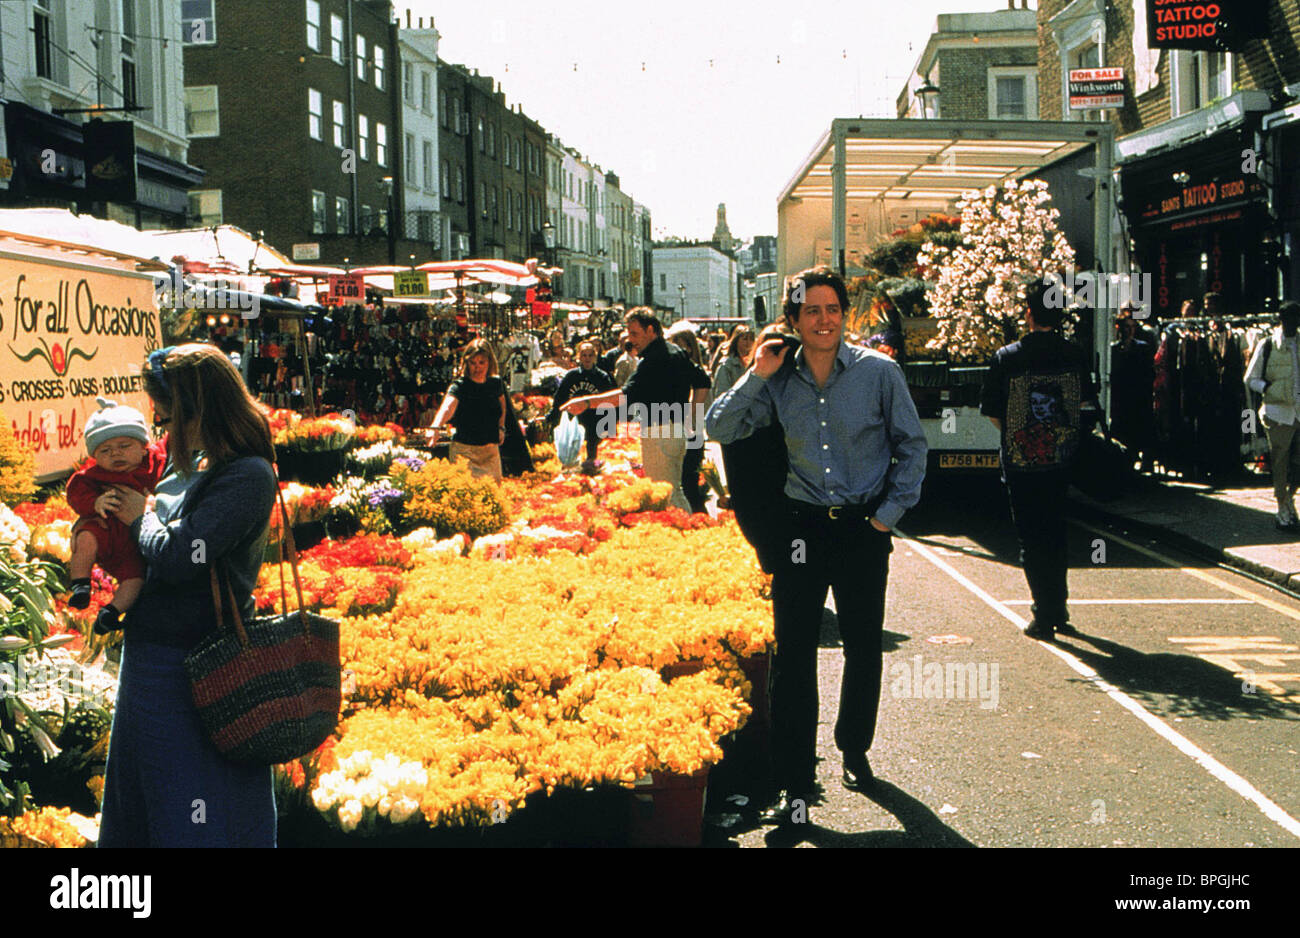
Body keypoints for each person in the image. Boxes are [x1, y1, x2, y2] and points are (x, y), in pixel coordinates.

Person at [707, 266, 928, 824]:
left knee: (861, 646)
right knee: (795, 655)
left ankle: (854, 748)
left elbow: (912, 446)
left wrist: (886, 519)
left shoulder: (880, 373)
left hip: (862, 531)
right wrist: (757, 372)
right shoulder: (778, 377)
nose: (824, 320)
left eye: (832, 309)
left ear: (844, 314)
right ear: (794, 320)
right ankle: (795, 781)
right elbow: (720, 427)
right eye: (811, 311)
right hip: (801, 530)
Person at [97, 344, 279, 847]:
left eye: (167, 415)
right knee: (148, 803)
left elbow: (184, 556)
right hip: (154, 659)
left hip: (201, 668)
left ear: (198, 411)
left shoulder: (245, 474)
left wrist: (142, 517)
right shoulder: (191, 461)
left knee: (196, 808)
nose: (163, 428)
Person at [981, 279, 1094, 641]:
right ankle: (1058, 606)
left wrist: (1018, 434)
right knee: (1056, 531)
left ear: (1028, 313)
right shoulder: (1075, 354)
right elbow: (1082, 405)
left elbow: (993, 410)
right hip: (1062, 460)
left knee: (1031, 538)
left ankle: (1043, 613)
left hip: (1021, 462)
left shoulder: (1007, 357)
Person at [563, 308, 696, 512]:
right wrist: (692, 415)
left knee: (666, 494)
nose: (631, 340)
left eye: (634, 333)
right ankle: (686, 532)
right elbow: (702, 382)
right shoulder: (675, 351)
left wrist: (587, 402)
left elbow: (625, 394)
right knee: (673, 490)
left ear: (650, 330)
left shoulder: (654, 359)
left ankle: (687, 534)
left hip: (660, 430)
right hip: (675, 427)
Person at [65, 398, 169, 635]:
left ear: (144, 446)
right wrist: (94, 502)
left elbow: (166, 449)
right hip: (105, 529)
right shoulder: (93, 476)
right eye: (105, 450)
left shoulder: (155, 465)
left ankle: (110, 613)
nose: (116, 454)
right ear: (95, 456)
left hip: (133, 542)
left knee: (135, 578)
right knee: (85, 538)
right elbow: (75, 492)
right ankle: (81, 584)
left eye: (124, 446)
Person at [1244, 301, 1300, 529]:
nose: (1294, 325)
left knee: (1297, 465)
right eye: (1291, 320)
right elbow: (1250, 378)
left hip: (1298, 412)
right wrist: (1269, 389)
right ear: (1282, 320)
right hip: (1277, 414)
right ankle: (1281, 509)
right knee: (1280, 464)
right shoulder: (1267, 344)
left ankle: (1288, 498)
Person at [425, 339, 507, 482]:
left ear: (490, 362)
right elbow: (447, 407)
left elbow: (502, 407)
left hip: (490, 453)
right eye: (473, 363)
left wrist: (501, 427)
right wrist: (435, 426)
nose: (478, 367)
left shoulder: (496, 384)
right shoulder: (460, 386)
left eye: (482, 362)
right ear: (466, 363)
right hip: (464, 453)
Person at [664, 322, 715, 513]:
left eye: (679, 345)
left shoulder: (696, 371)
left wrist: (686, 422)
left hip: (690, 432)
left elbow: (697, 406)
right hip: (680, 430)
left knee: (689, 484)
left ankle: (698, 521)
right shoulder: (678, 370)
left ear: (689, 346)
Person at [549, 341, 616, 473]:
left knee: (591, 458)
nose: (587, 358)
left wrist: (610, 426)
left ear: (595, 357)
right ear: (579, 357)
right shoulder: (571, 376)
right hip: (575, 420)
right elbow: (560, 398)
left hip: (594, 421)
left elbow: (610, 402)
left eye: (590, 355)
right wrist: (552, 416)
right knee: (571, 457)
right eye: (584, 355)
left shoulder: (602, 377)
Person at [712, 324, 755, 398]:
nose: (748, 342)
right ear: (736, 340)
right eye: (745, 339)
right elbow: (721, 394)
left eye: (751, 339)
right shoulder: (727, 365)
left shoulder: (755, 363)